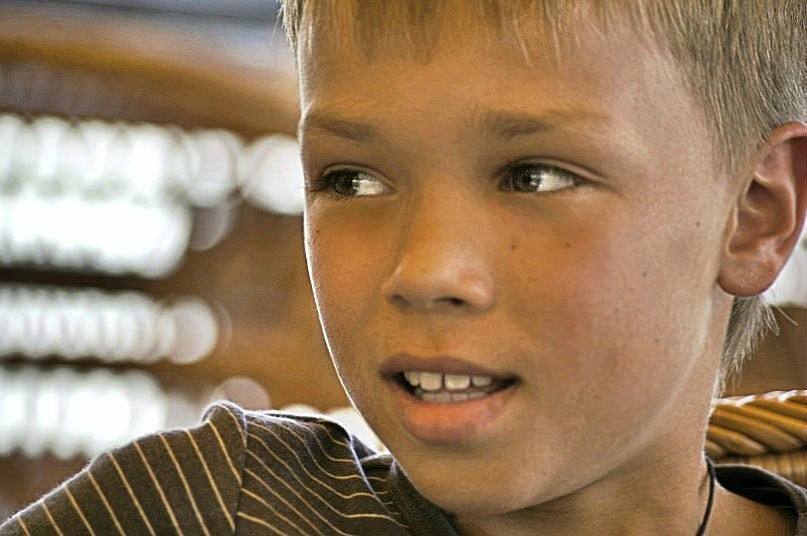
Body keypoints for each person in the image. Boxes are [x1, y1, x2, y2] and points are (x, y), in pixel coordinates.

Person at [2, 1, 806, 534]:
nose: (426, 272)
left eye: (533, 177)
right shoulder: (210, 509)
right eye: (351, 180)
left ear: (754, 215)